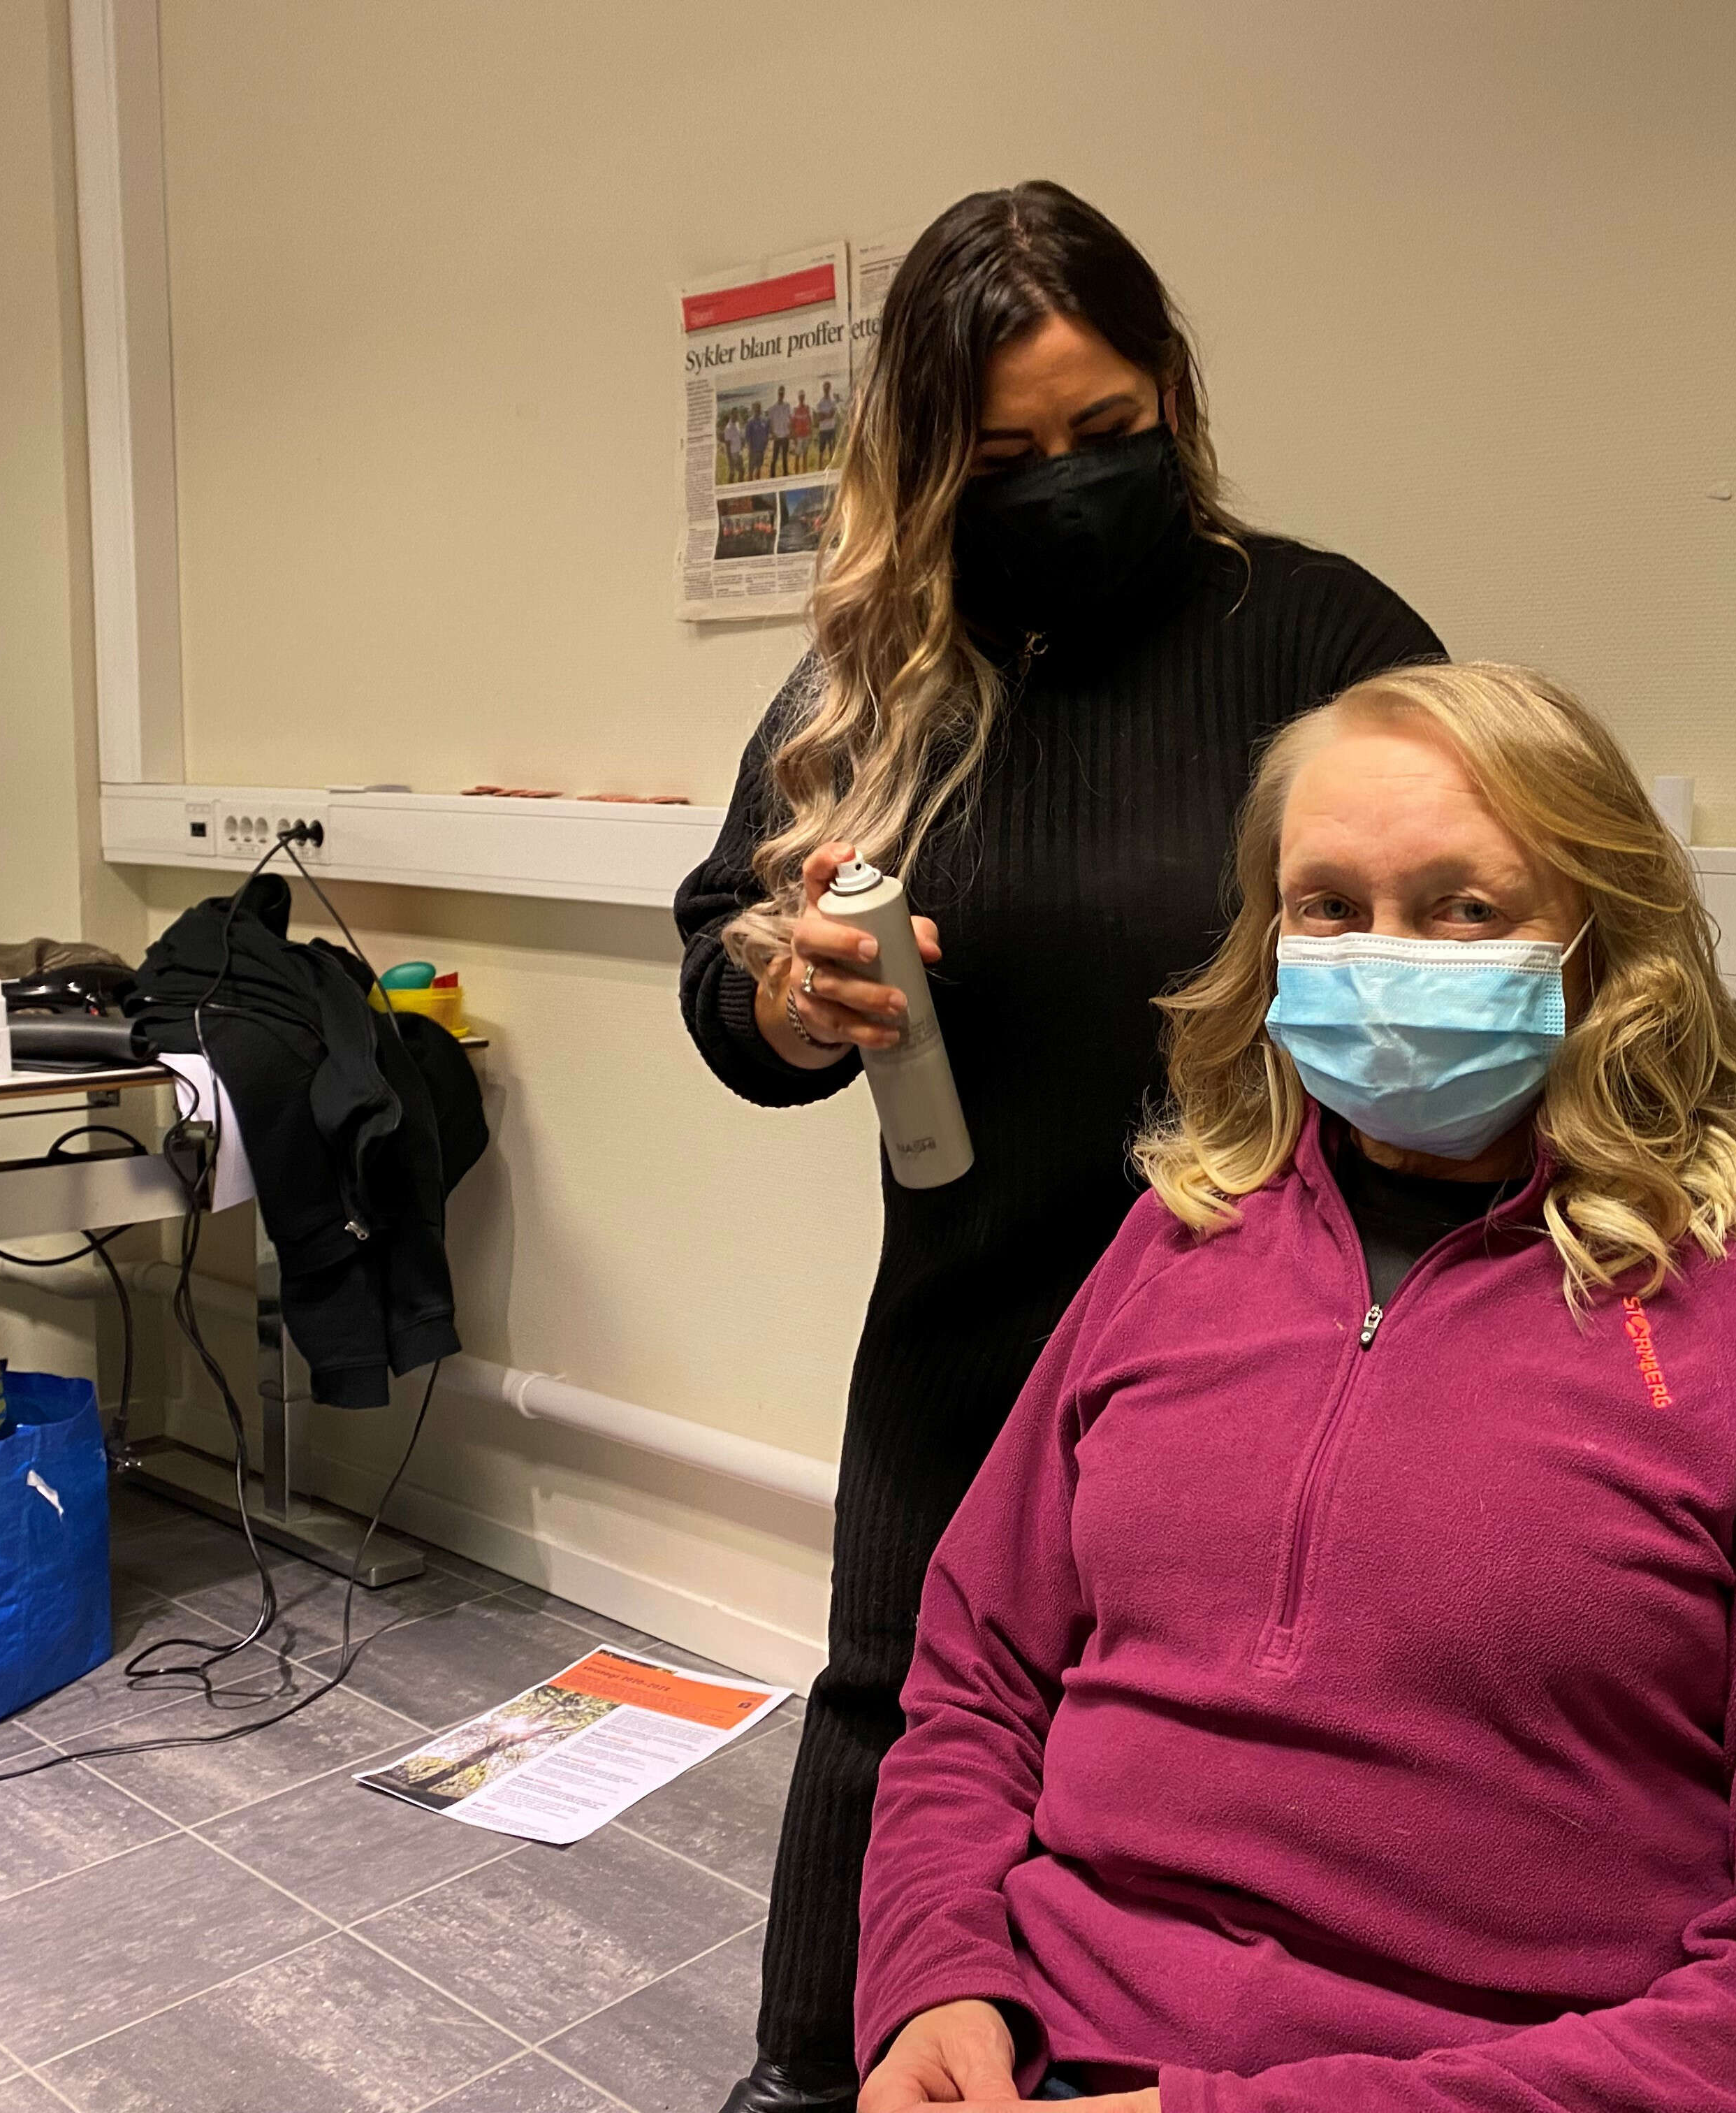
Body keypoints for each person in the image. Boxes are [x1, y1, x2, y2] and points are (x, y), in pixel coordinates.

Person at [855, 661, 1736, 2113]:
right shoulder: (1175, 1241)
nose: (1383, 958)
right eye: (1328, 905)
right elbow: (974, 1681)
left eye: (1465, 909)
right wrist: (934, 1979)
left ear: (1602, 943)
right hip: (1040, 2052)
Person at [674, 180, 1441, 2113]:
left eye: (1108, 432)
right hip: (974, 1317)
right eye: (1010, 458)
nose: (1070, 486)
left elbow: (1465, 916)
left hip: (1264, 1338)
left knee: (1205, 1780)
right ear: (933, 459)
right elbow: (721, 955)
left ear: (1172, 394)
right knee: (898, 1718)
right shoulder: (880, 678)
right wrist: (785, 997)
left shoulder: (1319, 635)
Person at [767, 384, 794, 476]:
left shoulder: (787, 406)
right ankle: (772, 475)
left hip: (785, 436)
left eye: (782, 393)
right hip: (777, 437)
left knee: (785, 458)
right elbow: (770, 423)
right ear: (778, 394)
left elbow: (790, 420)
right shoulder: (773, 408)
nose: (781, 395)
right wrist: (773, 434)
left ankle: (785, 474)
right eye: (780, 393)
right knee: (774, 458)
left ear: (784, 394)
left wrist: (791, 432)